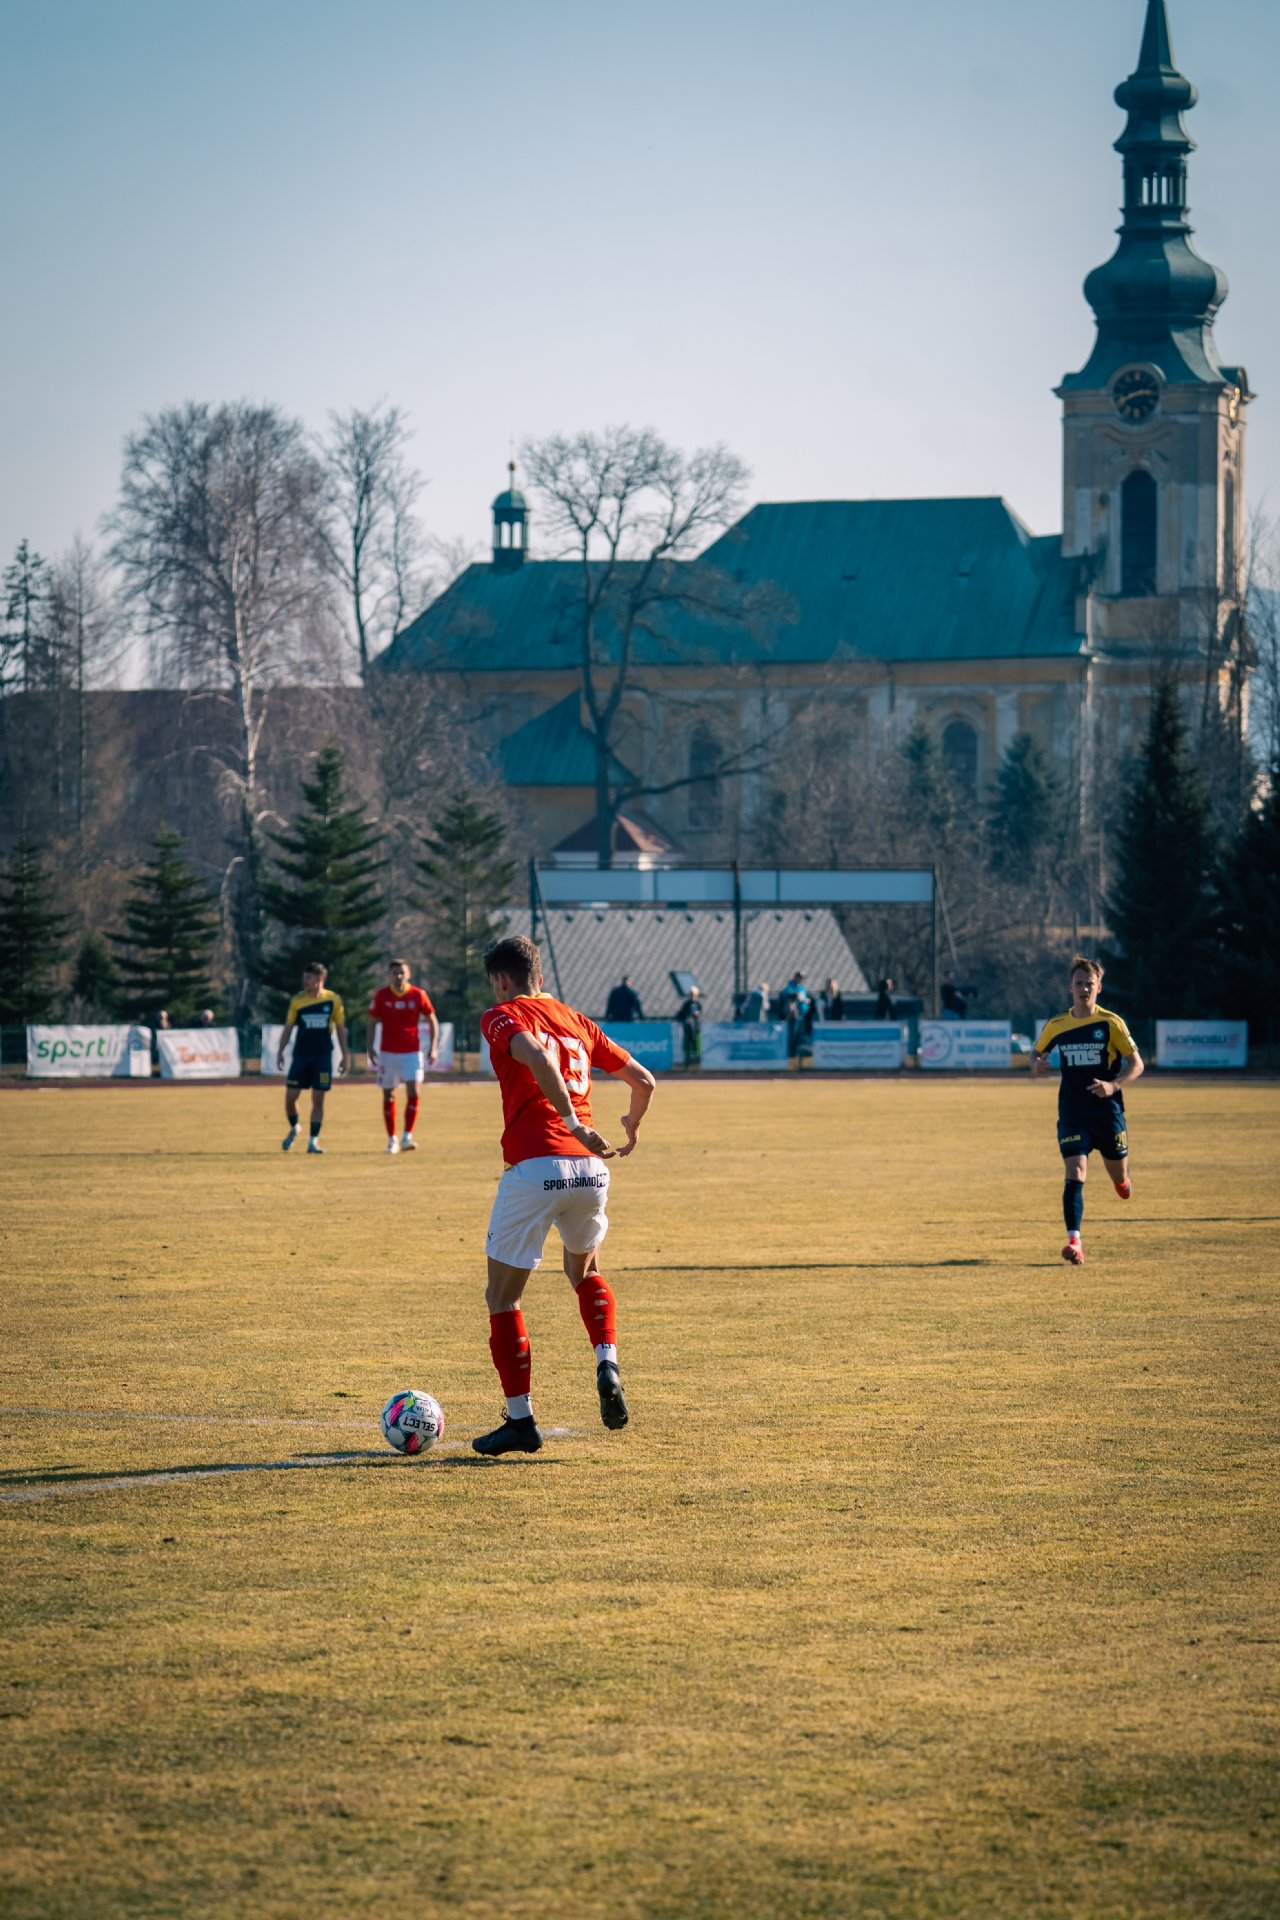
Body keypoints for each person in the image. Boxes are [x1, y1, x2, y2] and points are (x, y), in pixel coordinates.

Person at [472, 934, 656, 1457]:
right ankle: (607, 1362)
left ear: (501, 980)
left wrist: (572, 1123)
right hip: (591, 1173)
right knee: (586, 1271)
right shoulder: (578, 1020)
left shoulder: (500, 1015)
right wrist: (631, 1125)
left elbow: (535, 1055)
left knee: (503, 1297)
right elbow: (644, 1081)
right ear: (540, 975)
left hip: (536, 1167)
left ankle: (520, 1420)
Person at [1031, 953, 1144, 1267]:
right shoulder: (1057, 1024)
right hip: (1072, 1112)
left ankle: (1122, 1182)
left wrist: (1113, 1085)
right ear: (1070, 987)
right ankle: (1074, 1242)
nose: (1084, 989)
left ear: (1099, 987)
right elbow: (1036, 1054)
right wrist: (1037, 1065)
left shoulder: (1111, 1023)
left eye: (1089, 984)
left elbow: (1137, 1064)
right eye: (1079, 983)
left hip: (1107, 1113)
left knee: (1119, 1178)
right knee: (1075, 1172)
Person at [368, 959, 439, 1154]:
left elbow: (432, 1019)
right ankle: (392, 1139)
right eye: (395, 973)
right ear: (389, 975)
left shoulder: (418, 994)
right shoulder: (381, 995)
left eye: (402, 972)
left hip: (412, 1052)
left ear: (408, 974)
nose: (398, 976)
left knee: (414, 1091)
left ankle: (407, 1136)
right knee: (388, 1094)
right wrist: (370, 1047)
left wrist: (433, 1047)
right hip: (388, 1053)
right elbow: (372, 1021)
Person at [277, 962, 349, 1155]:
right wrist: (280, 1051)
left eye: (309, 978)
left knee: (318, 1098)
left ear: (320, 979)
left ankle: (313, 1141)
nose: (305, 981)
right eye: (304, 978)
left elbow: (340, 1029)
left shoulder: (333, 1000)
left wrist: (345, 1056)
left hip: (322, 1056)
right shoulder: (297, 1001)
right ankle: (294, 1126)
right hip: (301, 1055)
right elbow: (288, 1027)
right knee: (290, 1097)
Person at [676, 983, 702, 1067]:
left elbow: (698, 1013)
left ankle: (696, 1060)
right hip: (687, 1026)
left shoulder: (697, 1004)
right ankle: (687, 1061)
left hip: (695, 1027)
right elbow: (682, 1014)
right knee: (687, 1043)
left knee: (696, 1042)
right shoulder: (687, 1004)